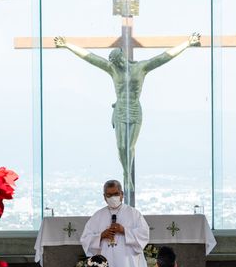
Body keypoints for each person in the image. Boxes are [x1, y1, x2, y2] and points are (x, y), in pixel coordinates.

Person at [54, 33, 201, 192]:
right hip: (121, 110)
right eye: (116, 62)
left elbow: (164, 57)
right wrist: (67, 45)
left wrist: (187, 44)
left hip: (135, 109)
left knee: (129, 147)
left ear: (124, 57)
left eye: (120, 60)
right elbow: (90, 57)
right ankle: (126, 175)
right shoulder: (113, 69)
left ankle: (126, 176)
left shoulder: (141, 67)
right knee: (121, 146)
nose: (119, 64)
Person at [80, 179, 149, 267]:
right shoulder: (98, 216)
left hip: (127, 264)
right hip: (106, 266)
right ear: (104, 196)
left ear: (122, 194)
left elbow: (144, 235)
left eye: (116, 194)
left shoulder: (134, 214)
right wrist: (101, 236)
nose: (113, 197)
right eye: (109, 195)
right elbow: (85, 239)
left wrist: (124, 231)